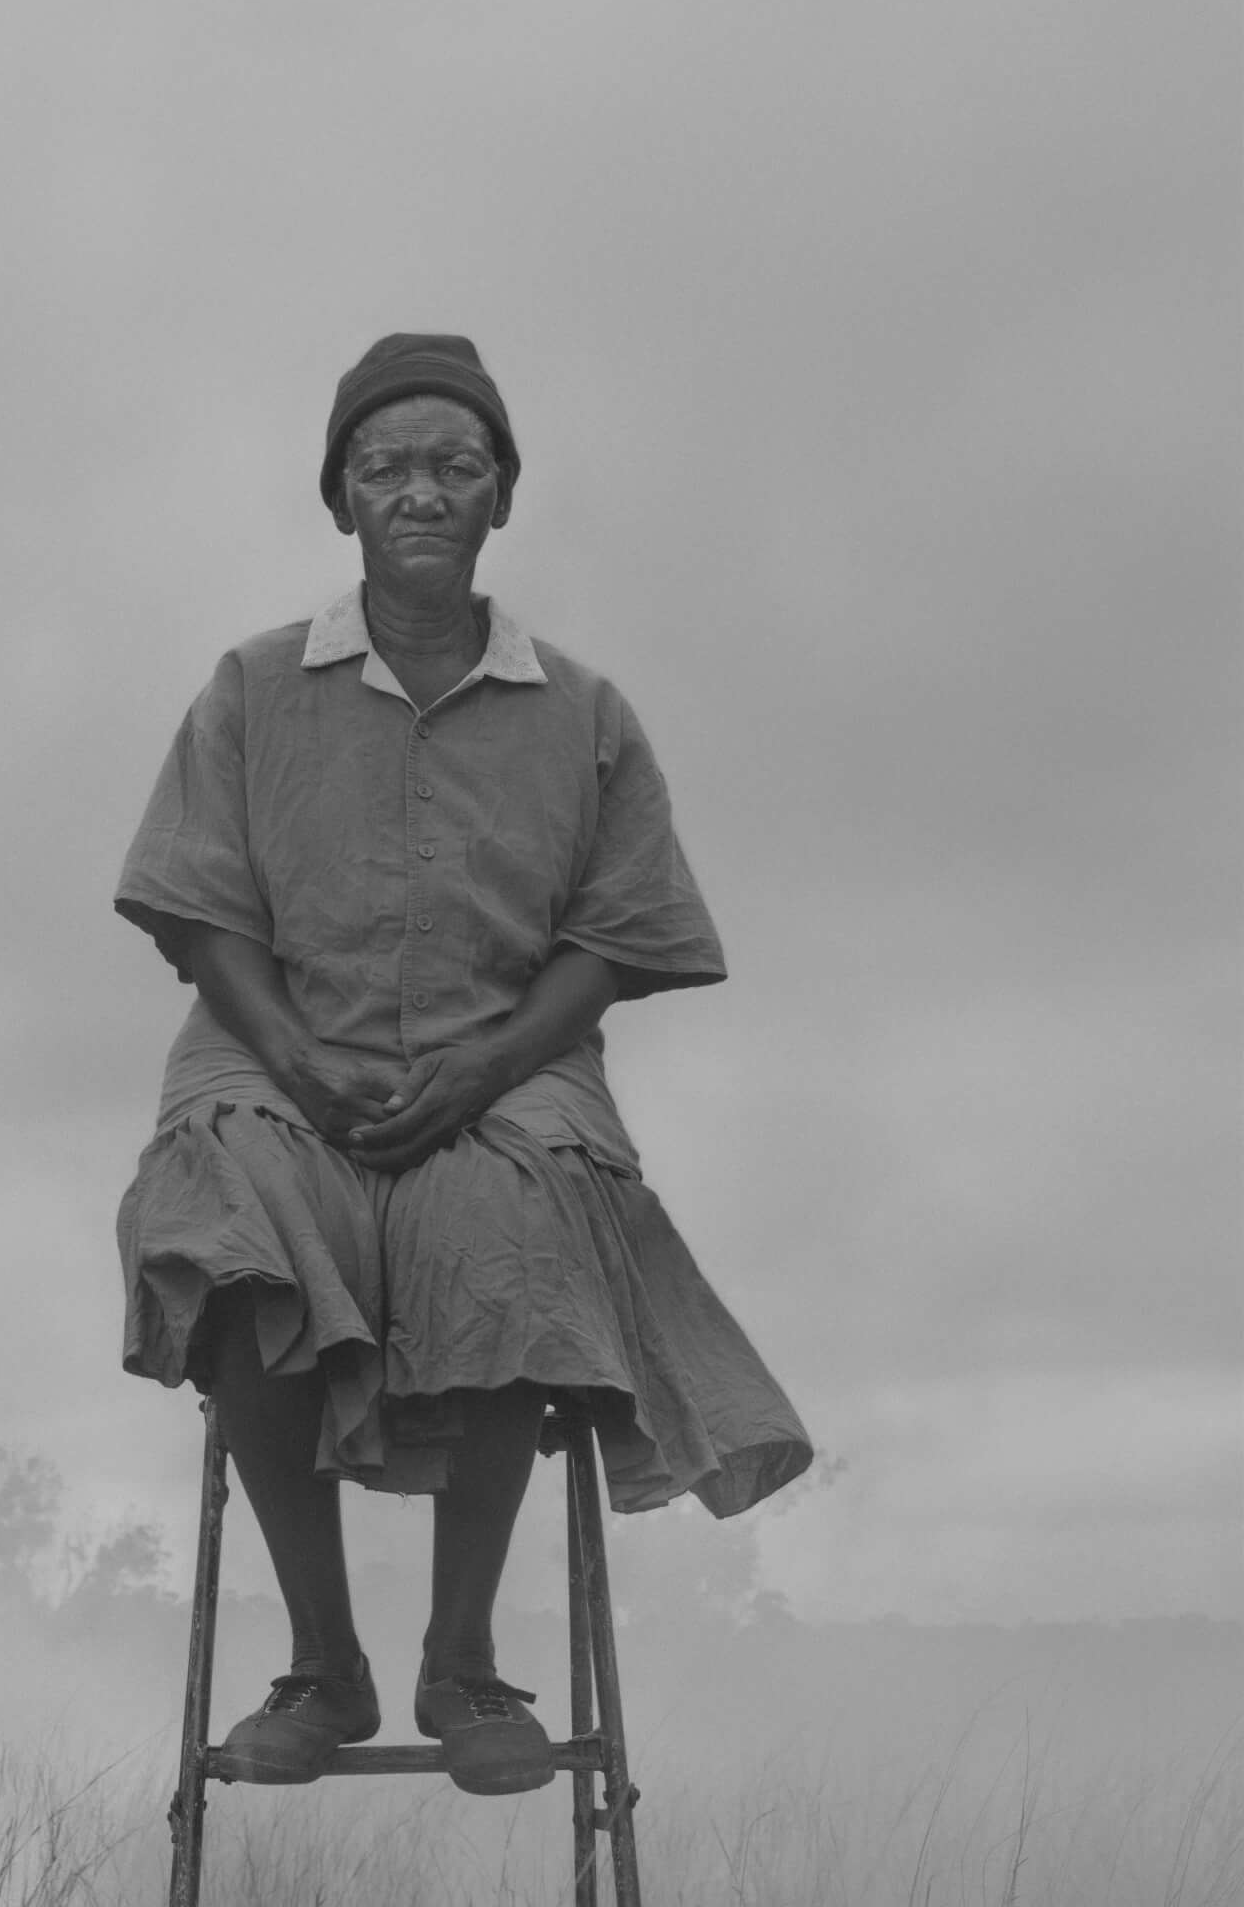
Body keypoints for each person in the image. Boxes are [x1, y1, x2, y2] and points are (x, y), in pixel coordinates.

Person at [114, 334, 811, 1791]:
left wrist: (487, 1064)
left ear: (500, 497)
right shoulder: (250, 689)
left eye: (454, 466)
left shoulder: (583, 710)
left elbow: (616, 937)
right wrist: (300, 1059)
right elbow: (196, 911)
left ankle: (462, 1661)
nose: (419, 491)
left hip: (514, 1064)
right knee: (219, 1208)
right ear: (340, 499)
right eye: (386, 468)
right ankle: (326, 1664)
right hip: (273, 1048)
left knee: (520, 1218)